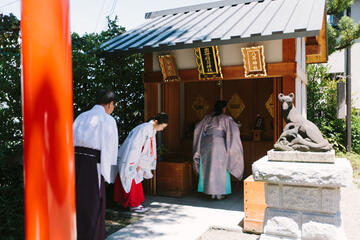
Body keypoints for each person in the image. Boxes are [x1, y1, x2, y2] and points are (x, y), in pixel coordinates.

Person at [73, 89, 118, 240]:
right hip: (93, 165)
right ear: (110, 104)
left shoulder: (81, 117)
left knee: (77, 202)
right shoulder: (108, 120)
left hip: (76, 163)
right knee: (93, 204)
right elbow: (110, 149)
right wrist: (109, 175)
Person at [114, 112, 168, 213]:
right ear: (156, 122)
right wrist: (135, 162)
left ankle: (129, 203)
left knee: (133, 180)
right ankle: (133, 205)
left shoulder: (150, 129)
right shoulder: (145, 129)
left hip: (136, 158)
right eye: (162, 127)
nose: (162, 129)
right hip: (132, 158)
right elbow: (135, 146)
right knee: (131, 179)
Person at [193, 100, 244, 200]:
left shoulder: (207, 118)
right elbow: (234, 131)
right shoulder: (226, 118)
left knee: (208, 168)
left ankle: (210, 192)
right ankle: (219, 193)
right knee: (220, 169)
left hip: (206, 145)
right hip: (219, 145)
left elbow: (197, 127)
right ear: (224, 108)